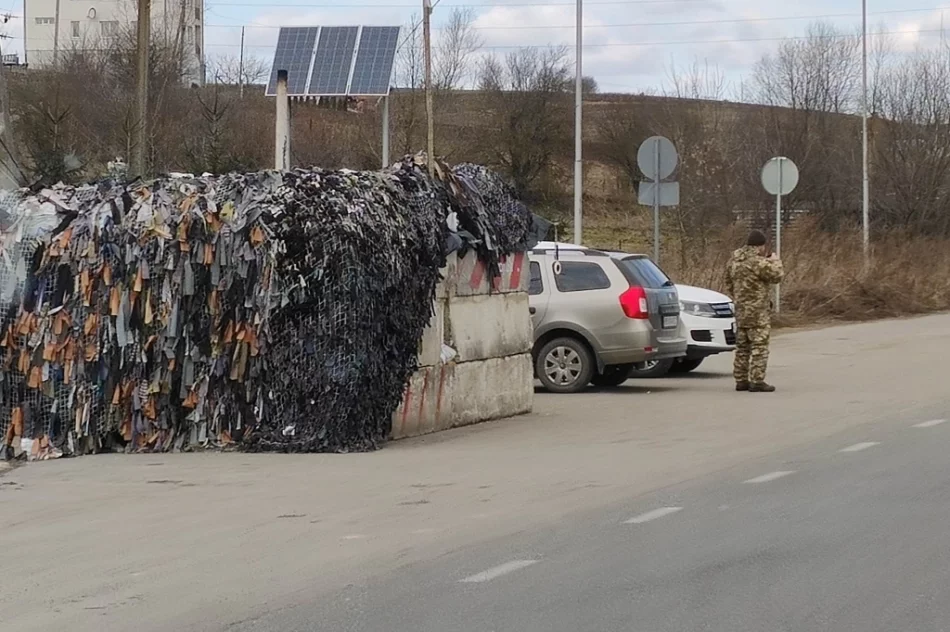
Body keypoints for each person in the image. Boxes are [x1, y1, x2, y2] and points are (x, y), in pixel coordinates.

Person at [725, 229, 784, 393]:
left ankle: (741, 380)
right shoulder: (758, 262)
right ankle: (757, 381)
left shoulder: (734, 261)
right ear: (760, 246)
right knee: (759, 347)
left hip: (741, 311)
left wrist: (740, 298)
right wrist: (775, 261)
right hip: (758, 313)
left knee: (742, 348)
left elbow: (728, 283)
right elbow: (777, 276)